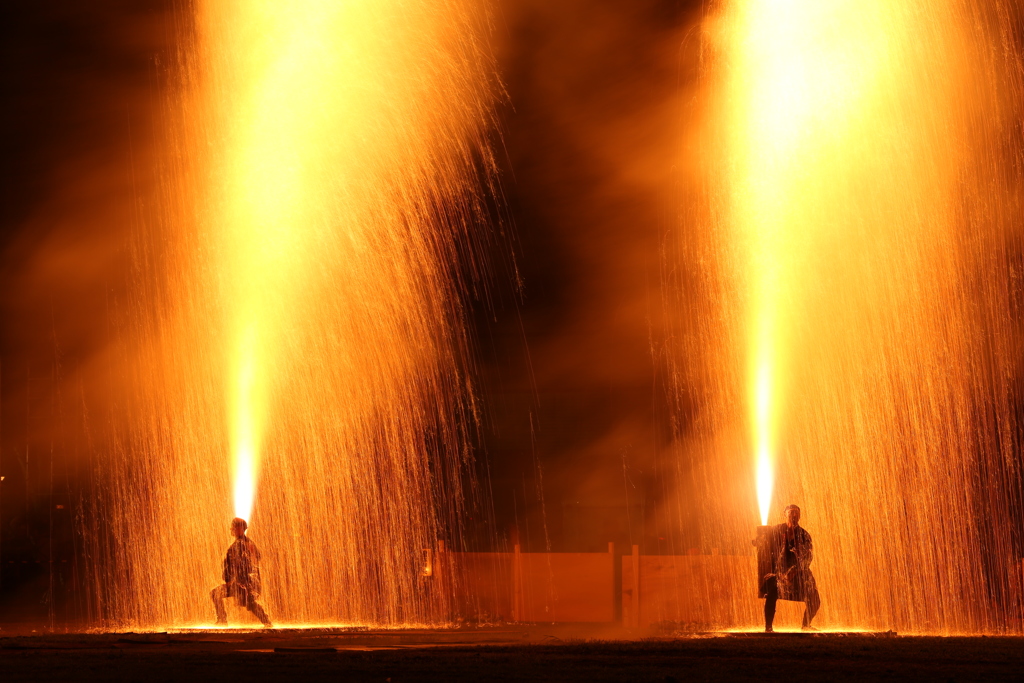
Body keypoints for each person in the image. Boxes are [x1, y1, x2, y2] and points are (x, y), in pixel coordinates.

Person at [759, 504, 820, 632]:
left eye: (797, 513)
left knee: (814, 598)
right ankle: (768, 627)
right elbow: (765, 548)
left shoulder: (804, 534)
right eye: (791, 512)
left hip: (799, 572)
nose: (794, 515)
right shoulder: (775, 531)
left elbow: (808, 556)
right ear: (785, 514)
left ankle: (806, 625)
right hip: (778, 572)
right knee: (772, 593)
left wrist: (794, 571)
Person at [210, 517, 272, 627]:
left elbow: (242, 564)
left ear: (239, 529)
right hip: (244, 582)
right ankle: (266, 621)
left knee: (217, 593)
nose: (231, 530)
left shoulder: (242, 544)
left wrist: (235, 580)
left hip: (242, 582)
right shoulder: (245, 543)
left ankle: (222, 620)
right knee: (249, 603)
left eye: (233, 528)